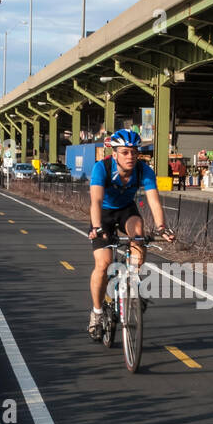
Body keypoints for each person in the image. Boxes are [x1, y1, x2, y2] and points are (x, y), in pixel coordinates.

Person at [86, 129, 174, 339]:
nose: (130, 157)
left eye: (134, 152)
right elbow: (96, 201)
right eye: (125, 152)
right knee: (103, 263)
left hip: (126, 210)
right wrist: (96, 227)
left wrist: (162, 227)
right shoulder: (102, 168)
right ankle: (97, 313)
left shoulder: (144, 170)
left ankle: (133, 286)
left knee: (139, 234)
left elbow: (153, 200)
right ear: (114, 153)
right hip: (104, 214)